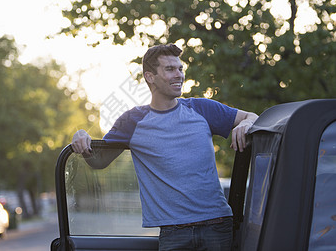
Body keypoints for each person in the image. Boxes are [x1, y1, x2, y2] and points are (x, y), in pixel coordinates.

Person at [72, 44, 258, 251]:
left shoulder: (202, 108)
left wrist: (245, 124)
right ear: (150, 77)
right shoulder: (132, 120)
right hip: (173, 232)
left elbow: (252, 117)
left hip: (217, 226)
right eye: (170, 69)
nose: (179, 75)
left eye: (180, 69)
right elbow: (99, 161)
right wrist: (83, 139)